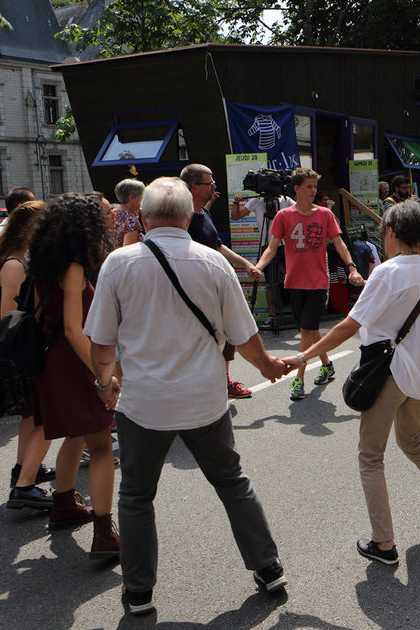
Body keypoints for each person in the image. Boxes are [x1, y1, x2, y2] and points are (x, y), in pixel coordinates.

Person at [86, 177, 291, 614]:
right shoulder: (213, 264)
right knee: (232, 483)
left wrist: (106, 385)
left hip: (143, 403)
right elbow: (245, 335)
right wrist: (269, 367)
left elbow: (101, 344)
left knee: (137, 496)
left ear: (143, 217)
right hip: (204, 399)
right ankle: (269, 568)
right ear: (189, 215)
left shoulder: (119, 263)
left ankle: (139, 592)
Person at [280, 199, 420, 566]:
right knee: (413, 442)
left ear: (390, 233)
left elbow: (348, 325)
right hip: (418, 374)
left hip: (389, 375)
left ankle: (384, 542)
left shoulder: (387, 272)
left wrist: (303, 357)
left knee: (371, 457)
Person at [27, 192, 119, 558]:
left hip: (53, 362)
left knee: (77, 436)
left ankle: (63, 504)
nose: (110, 219)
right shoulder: (75, 266)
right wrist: (102, 377)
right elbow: (73, 329)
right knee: (101, 448)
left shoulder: (47, 261)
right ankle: (103, 533)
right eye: (105, 214)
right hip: (74, 360)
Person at [250, 167, 365, 401]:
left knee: (305, 330)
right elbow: (272, 247)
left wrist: (352, 267)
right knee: (311, 330)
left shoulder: (324, 214)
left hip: (318, 283)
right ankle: (327, 364)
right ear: (297, 189)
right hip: (294, 282)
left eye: (315, 186)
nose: (313, 191)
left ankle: (298, 379)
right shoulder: (284, 216)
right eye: (309, 187)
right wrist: (259, 267)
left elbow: (340, 243)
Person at [0, 201, 57, 508]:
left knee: (31, 413)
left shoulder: (19, 259)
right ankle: (24, 483)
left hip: (17, 345)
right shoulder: (14, 264)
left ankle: (25, 468)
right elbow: (9, 316)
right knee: (44, 414)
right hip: (15, 347)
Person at [179, 164, 260, 399]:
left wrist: (245, 263)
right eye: (209, 182)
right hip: (194, 290)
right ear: (194, 187)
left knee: (224, 335)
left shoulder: (203, 213)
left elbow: (217, 246)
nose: (214, 185)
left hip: (214, 287)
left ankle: (223, 382)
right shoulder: (182, 218)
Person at [113, 178, 146, 248]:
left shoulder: (112, 214)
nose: (144, 200)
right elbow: (128, 251)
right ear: (131, 197)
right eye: (142, 197)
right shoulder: (130, 221)